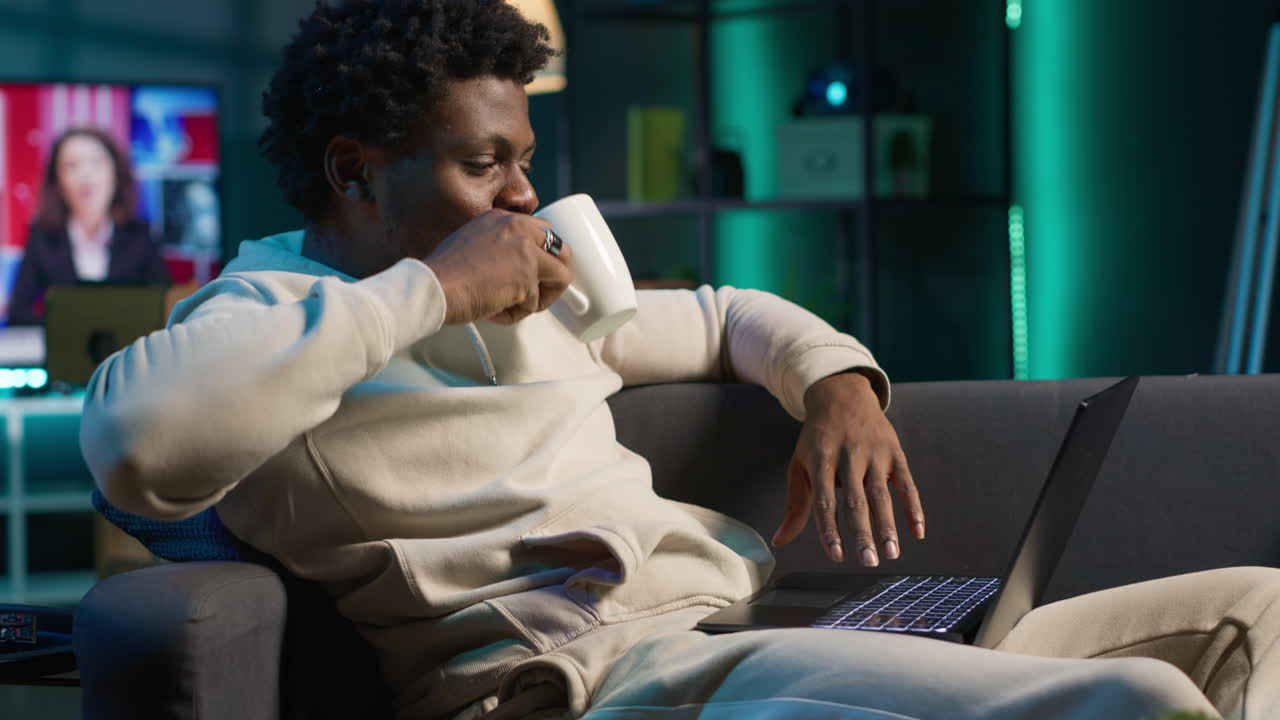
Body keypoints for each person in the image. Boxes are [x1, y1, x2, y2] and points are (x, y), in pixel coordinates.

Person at [79, 2, 1280, 719]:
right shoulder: (264, 314)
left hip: (735, 628)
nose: (526, 193)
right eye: (484, 163)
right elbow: (137, 444)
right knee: (1143, 703)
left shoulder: (533, 294)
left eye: (524, 155)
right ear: (353, 170)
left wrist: (838, 388)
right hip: (606, 683)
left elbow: (722, 314)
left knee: (1255, 611)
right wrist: (431, 289)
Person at [8, 126, 171, 325]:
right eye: (72, 165)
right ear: (57, 181)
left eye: (97, 162)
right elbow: (18, 311)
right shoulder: (42, 236)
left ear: (116, 174)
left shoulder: (140, 236)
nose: (86, 174)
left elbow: (166, 308)